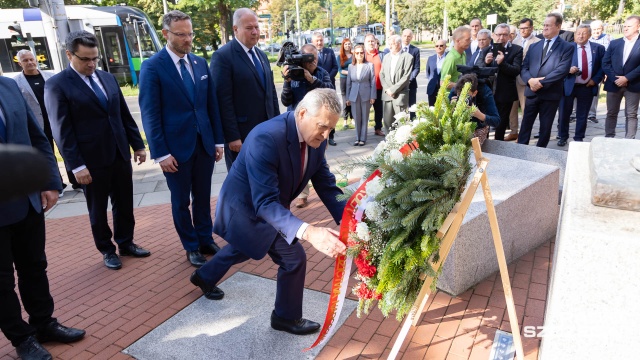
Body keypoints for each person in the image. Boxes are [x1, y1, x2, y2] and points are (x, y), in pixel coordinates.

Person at [190, 89, 347, 335]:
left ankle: (204, 276)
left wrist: (351, 220)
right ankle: (285, 317)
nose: (326, 135)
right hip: (246, 208)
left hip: (270, 205)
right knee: (293, 257)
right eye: (323, 127)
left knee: (243, 247)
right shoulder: (266, 137)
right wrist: (309, 232)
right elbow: (264, 203)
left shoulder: (316, 138)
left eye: (331, 129)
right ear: (303, 113)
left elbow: (326, 184)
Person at [45, 31, 150, 270]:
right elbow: (62, 130)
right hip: (90, 161)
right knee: (98, 209)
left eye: (95, 58)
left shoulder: (107, 78)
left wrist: (138, 144)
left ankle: (126, 242)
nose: (91, 64)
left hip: (119, 153)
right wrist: (76, 166)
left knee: (124, 203)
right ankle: (107, 249)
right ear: (69, 54)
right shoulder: (57, 85)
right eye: (85, 59)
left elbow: (122, 113)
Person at [1, 74, 86, 360]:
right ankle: (21, 337)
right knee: (1, 281)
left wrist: (51, 181)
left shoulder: (8, 86)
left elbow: (37, 137)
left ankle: (44, 323)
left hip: (26, 199)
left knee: (34, 267)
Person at [138, 10, 225, 268]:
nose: (188, 39)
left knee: (203, 195)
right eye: (181, 34)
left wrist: (217, 141)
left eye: (190, 33)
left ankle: (205, 238)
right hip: (175, 150)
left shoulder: (199, 63)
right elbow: (150, 114)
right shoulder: (153, 67)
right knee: (181, 201)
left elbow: (211, 106)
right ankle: (190, 246)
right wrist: (161, 153)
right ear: (166, 34)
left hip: (204, 144)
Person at [211, 8, 279, 171]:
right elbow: (222, 101)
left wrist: (278, 125)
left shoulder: (262, 56)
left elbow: (271, 94)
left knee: (267, 178)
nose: (255, 32)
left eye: (256, 27)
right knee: (242, 184)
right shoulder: (223, 57)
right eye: (249, 28)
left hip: (267, 132)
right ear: (236, 29)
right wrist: (232, 136)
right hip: (241, 138)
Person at [13, 49, 81, 196]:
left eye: (31, 59)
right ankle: (58, 185)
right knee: (46, 155)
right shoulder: (16, 82)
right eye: (25, 60)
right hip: (37, 124)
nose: (30, 62)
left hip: (57, 120)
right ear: (20, 63)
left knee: (67, 149)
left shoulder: (51, 77)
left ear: (36, 59)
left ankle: (76, 181)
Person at [281, 44, 334, 209]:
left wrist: (312, 80)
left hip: (318, 127)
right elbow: (285, 101)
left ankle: (329, 193)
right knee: (298, 162)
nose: (313, 63)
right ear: (301, 59)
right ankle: (302, 195)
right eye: (310, 59)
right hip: (298, 128)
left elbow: (330, 93)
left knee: (319, 161)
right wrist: (287, 82)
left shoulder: (321, 73)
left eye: (316, 59)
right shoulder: (294, 74)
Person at [517, 13, 574, 147]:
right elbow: (524, 67)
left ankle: (540, 154)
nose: (544, 28)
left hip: (550, 94)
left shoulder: (567, 47)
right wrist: (530, 81)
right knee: (525, 125)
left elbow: (562, 70)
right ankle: (519, 152)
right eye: (544, 25)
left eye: (548, 25)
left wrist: (541, 83)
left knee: (545, 128)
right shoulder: (534, 46)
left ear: (558, 26)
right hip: (531, 92)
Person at [557, 25, 605, 146]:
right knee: (564, 113)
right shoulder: (567, 48)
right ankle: (563, 136)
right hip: (568, 85)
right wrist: (568, 69)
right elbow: (558, 64)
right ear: (574, 35)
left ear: (589, 35)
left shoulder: (598, 48)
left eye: (584, 33)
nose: (581, 36)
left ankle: (579, 138)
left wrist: (595, 80)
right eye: (578, 33)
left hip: (587, 86)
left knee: (582, 115)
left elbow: (602, 67)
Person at [602, 15, 640, 139]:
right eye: (624, 26)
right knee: (611, 113)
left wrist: (627, 78)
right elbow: (605, 63)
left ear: (638, 27)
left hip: (633, 85)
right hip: (614, 84)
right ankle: (609, 138)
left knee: (631, 114)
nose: (625, 28)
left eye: (629, 26)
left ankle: (629, 140)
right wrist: (615, 78)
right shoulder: (614, 43)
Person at [485, 24, 523, 141]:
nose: (501, 37)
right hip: (489, 92)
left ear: (509, 36)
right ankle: (484, 146)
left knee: (500, 125)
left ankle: (498, 149)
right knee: (485, 122)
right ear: (494, 35)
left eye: (504, 35)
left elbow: (516, 70)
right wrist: (486, 63)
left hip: (505, 93)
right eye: (499, 34)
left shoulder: (516, 50)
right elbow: (481, 70)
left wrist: (503, 63)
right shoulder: (488, 49)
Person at [510, 18, 541, 141]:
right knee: (512, 108)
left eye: (525, 28)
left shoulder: (538, 42)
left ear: (531, 28)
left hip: (526, 79)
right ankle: (513, 131)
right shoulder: (515, 41)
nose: (523, 30)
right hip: (513, 78)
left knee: (525, 108)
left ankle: (523, 134)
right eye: (521, 28)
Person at [380, 35, 414, 134]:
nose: (390, 47)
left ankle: (401, 147)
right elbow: (381, 74)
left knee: (401, 124)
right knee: (387, 124)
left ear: (399, 44)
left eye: (392, 44)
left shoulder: (408, 57)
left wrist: (393, 90)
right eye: (389, 44)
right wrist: (387, 89)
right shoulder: (386, 57)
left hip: (400, 96)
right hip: (387, 95)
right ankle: (388, 146)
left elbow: (406, 77)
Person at [452, 73, 500, 143]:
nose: (463, 99)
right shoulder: (457, 89)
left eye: (466, 96)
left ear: (475, 93)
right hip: (458, 127)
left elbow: (496, 121)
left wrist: (479, 115)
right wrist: (451, 108)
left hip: (478, 128)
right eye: (460, 95)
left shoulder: (485, 92)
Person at [346, 44, 376, 146]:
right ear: (354, 54)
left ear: (364, 53)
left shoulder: (369, 65)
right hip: (354, 95)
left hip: (366, 95)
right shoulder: (351, 66)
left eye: (361, 53)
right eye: (357, 53)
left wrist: (373, 96)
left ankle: (363, 138)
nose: (359, 55)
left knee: (364, 117)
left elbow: (372, 81)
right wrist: (347, 97)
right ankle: (357, 138)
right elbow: (348, 83)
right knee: (356, 117)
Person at [312, 31, 339, 146]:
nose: (319, 42)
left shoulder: (329, 52)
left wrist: (326, 78)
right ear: (313, 42)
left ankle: (331, 137)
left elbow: (335, 67)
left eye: (321, 40)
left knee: (331, 111)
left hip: (329, 86)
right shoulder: (310, 54)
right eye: (317, 40)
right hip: (315, 88)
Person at [587, 20, 612, 123]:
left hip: (600, 70)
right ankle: (575, 113)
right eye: (594, 29)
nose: (596, 31)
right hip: (586, 68)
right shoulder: (586, 38)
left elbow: (611, 57)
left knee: (595, 92)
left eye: (598, 29)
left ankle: (591, 114)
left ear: (602, 29)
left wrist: (607, 72)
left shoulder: (609, 39)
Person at [364, 33, 386, 136]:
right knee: (365, 110)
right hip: (366, 88)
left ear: (375, 42)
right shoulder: (362, 55)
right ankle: (363, 130)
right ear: (365, 43)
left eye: (372, 41)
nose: (371, 43)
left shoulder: (381, 55)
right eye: (368, 41)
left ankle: (378, 128)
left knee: (379, 110)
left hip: (379, 87)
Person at [401, 29, 421, 118]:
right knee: (400, 107)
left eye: (409, 36)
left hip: (411, 84)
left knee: (412, 107)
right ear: (402, 36)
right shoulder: (397, 49)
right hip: (398, 84)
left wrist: (409, 80)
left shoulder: (415, 50)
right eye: (405, 36)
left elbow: (417, 68)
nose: (406, 38)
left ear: (412, 38)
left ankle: (413, 126)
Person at [426, 39, 448, 106]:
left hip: (445, 89)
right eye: (437, 46)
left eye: (441, 45)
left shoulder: (449, 57)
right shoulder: (431, 58)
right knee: (432, 110)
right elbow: (428, 72)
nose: (439, 47)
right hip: (432, 89)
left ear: (445, 47)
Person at [337, 38, 353, 129]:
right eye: (346, 44)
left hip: (353, 80)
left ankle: (353, 118)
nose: (347, 46)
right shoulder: (339, 57)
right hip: (344, 80)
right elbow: (340, 70)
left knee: (352, 98)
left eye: (349, 44)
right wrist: (350, 72)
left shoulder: (354, 55)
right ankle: (345, 119)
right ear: (343, 46)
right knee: (345, 99)